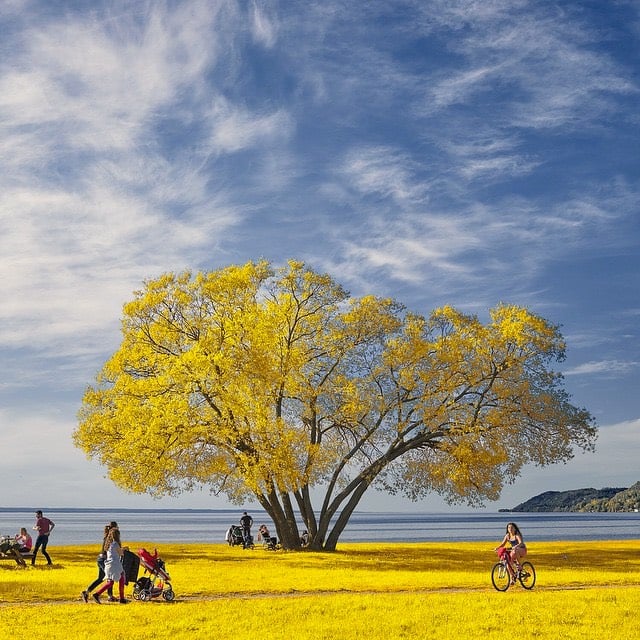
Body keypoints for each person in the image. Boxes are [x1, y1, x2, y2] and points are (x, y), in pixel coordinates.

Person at [92, 524, 128, 604]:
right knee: (122, 578)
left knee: (110, 582)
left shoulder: (109, 545)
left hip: (109, 565)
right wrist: (125, 549)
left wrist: (121, 549)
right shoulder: (116, 544)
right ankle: (122, 598)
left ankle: (97, 594)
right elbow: (121, 553)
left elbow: (115, 551)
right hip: (115, 565)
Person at [81, 524, 116, 603]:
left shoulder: (106, 537)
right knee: (110, 577)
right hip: (104, 560)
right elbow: (112, 550)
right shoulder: (110, 539)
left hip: (100, 559)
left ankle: (86, 592)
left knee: (101, 578)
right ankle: (108, 596)